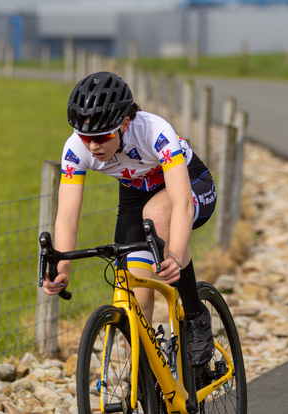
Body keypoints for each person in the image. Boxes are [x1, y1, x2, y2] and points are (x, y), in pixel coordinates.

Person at [43, 71, 217, 368]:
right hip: (136, 196)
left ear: (124, 124)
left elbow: (181, 204)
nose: (93, 145)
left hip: (189, 184)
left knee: (159, 216)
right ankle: (145, 380)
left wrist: (174, 253)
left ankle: (195, 315)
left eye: (102, 137)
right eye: (86, 137)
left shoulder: (154, 131)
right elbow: (68, 217)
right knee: (136, 296)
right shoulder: (75, 148)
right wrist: (63, 267)